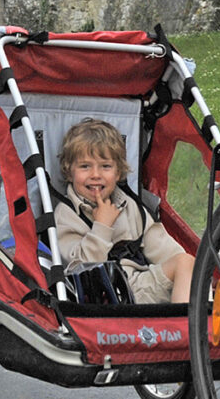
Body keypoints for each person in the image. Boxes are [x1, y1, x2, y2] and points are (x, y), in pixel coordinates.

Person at [52, 118, 195, 305]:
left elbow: (165, 250)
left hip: (138, 286)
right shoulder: (66, 214)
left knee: (186, 262)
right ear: (69, 172)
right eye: (85, 166)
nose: (95, 175)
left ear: (118, 173)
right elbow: (82, 269)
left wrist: (191, 276)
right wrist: (102, 226)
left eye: (105, 166)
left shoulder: (129, 205)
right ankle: (187, 325)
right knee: (185, 266)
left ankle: (192, 324)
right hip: (102, 296)